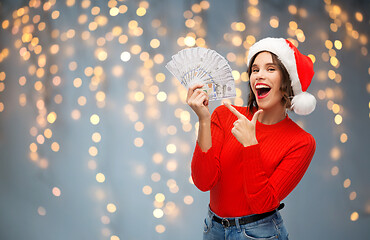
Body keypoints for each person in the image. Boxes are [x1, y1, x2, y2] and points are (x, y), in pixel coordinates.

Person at [186, 37, 317, 240]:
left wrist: (250, 144)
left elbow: (263, 203)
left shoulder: (301, 142)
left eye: (270, 69)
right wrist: (204, 120)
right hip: (213, 228)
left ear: (287, 81)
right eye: (255, 70)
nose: (259, 76)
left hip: (259, 233)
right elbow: (204, 181)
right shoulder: (224, 114)